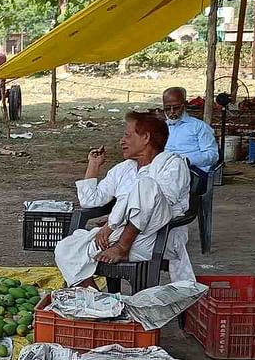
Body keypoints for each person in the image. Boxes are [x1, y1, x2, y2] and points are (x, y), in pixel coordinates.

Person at [54, 111, 195, 288]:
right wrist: (93, 165)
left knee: (145, 186)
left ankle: (122, 247)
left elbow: (154, 203)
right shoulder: (124, 169)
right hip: (117, 234)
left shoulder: (172, 164)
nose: (122, 141)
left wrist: (111, 224)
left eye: (127, 135)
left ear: (145, 138)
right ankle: (99, 304)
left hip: (156, 237)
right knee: (65, 249)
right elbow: (89, 201)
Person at [163, 87, 219, 173]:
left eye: (176, 108)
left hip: (192, 170)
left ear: (184, 105)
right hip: (165, 168)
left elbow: (212, 156)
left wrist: (187, 161)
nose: (172, 112)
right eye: (167, 109)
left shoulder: (199, 126)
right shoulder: (162, 127)